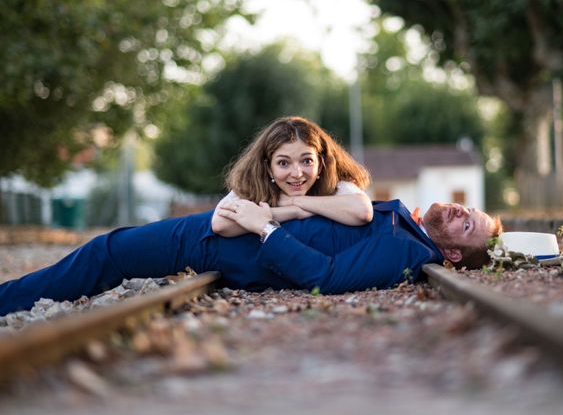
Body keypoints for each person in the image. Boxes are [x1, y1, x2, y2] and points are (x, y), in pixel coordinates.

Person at [0, 198, 501, 316]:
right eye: (470, 210)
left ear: (452, 252)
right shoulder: (403, 224)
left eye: (466, 224)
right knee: (109, 251)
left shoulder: (404, 250)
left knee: (106, 252)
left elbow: (322, 276)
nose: (461, 210)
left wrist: (263, 225)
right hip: (234, 229)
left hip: (225, 242)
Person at [212, 116, 373, 236]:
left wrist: (294, 201)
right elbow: (220, 223)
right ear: (268, 168)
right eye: (283, 163)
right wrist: (293, 212)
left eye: (307, 161)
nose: (297, 174)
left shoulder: (336, 183)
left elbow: (362, 212)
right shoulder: (253, 184)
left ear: (320, 163)